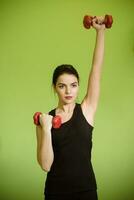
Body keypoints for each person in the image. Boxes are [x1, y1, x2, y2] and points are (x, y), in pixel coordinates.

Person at [36, 16, 105, 200]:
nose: (68, 91)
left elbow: (96, 68)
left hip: (86, 191)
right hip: (55, 192)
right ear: (54, 88)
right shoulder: (45, 120)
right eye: (62, 86)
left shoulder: (87, 110)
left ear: (79, 87)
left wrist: (100, 32)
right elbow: (45, 165)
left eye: (73, 85)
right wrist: (46, 128)